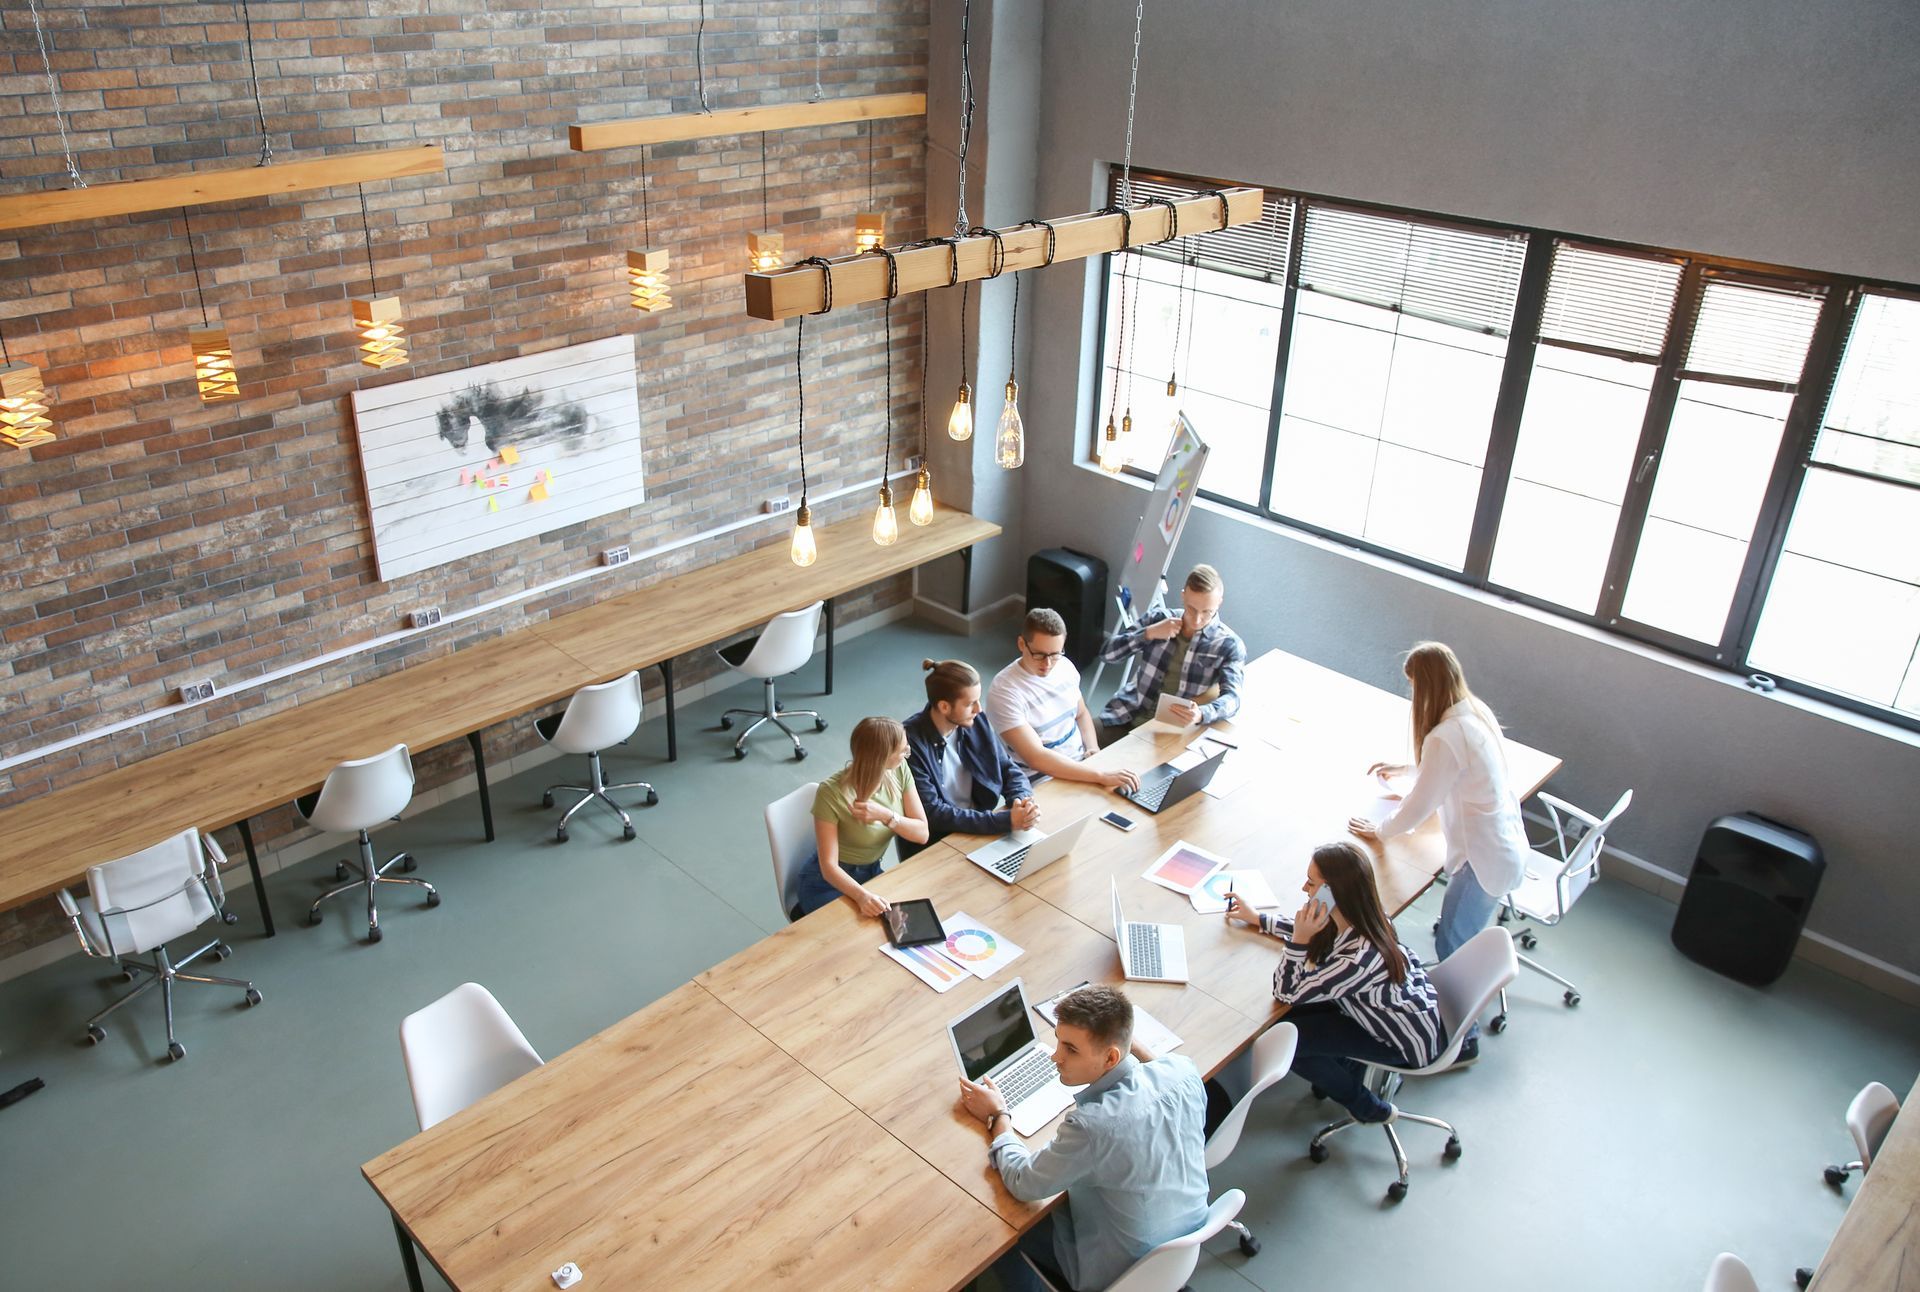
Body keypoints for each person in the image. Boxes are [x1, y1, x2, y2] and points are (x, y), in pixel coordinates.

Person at [957, 985, 1208, 1292]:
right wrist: (1117, 1038)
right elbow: (1154, 1068)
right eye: (1058, 1042)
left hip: (1120, 1270)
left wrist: (998, 1115)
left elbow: (1023, 1182)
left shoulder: (1094, 1127)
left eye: (1071, 1049)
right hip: (1181, 1242)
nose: (1055, 1057)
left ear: (1110, 1057)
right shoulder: (1184, 1071)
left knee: (997, 1232)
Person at [1348, 641, 1527, 1062]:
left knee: (1453, 946)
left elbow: (1418, 808)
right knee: (1457, 937)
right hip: (1503, 846)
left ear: (1425, 688)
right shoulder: (1471, 712)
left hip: (1483, 860)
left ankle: (1461, 1041)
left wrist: (1380, 830)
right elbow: (1449, 770)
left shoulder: (1445, 735)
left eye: (1413, 688)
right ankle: (1458, 1019)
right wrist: (1409, 768)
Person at [1226, 840, 1445, 1125]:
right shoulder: (1362, 915)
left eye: (1311, 883)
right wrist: (1259, 918)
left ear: (1333, 893)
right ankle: (1342, 1068)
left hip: (1401, 1041)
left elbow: (1285, 990)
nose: (1305, 889)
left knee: (1290, 1045)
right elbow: (1319, 933)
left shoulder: (1357, 960)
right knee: (1289, 1020)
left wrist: (1299, 943)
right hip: (1383, 1010)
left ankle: (1367, 1108)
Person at [986, 610, 1140, 794]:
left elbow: (1081, 714)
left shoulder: (1065, 667)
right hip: (1042, 780)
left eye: (1055, 654)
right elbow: (1037, 758)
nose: (1048, 664)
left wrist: (1092, 748)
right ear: (1021, 644)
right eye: (1039, 654)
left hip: (1082, 764)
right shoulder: (1004, 691)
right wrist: (1099, 775)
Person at [791, 716, 930, 919]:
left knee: (902, 921)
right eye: (903, 751)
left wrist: (886, 815)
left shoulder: (899, 771)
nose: (907, 755)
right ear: (882, 756)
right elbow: (828, 867)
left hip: (871, 872)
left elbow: (922, 833)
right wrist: (862, 897)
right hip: (827, 882)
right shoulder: (831, 793)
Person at [901, 659, 1040, 860]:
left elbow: (1006, 767)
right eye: (969, 704)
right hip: (937, 843)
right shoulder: (909, 743)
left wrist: (1022, 801)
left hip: (978, 829)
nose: (979, 709)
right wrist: (1004, 821)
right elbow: (934, 813)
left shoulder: (975, 721)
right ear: (944, 707)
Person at [1097, 564, 1246, 743]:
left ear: (1219, 602)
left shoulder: (1229, 645)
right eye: (1192, 609)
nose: (1198, 619)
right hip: (1125, 712)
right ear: (1183, 595)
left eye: (1207, 612)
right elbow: (1107, 654)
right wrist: (1148, 634)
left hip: (1169, 730)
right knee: (1077, 748)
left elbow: (1233, 699)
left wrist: (1201, 714)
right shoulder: (1158, 619)